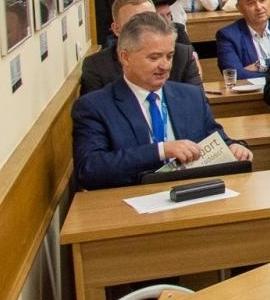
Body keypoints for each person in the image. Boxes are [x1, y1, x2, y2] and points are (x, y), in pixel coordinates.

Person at [71, 12, 253, 190]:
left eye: (169, 56)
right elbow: (89, 170)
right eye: (154, 57)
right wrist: (160, 151)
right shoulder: (95, 106)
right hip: (133, 202)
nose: (165, 65)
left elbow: (218, 139)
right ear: (125, 57)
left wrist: (235, 147)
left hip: (192, 195)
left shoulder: (191, 96)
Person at [81, 0, 202, 93]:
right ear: (116, 29)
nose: (146, 28)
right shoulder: (97, 66)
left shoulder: (182, 55)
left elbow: (198, 108)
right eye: (134, 24)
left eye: (151, 20)